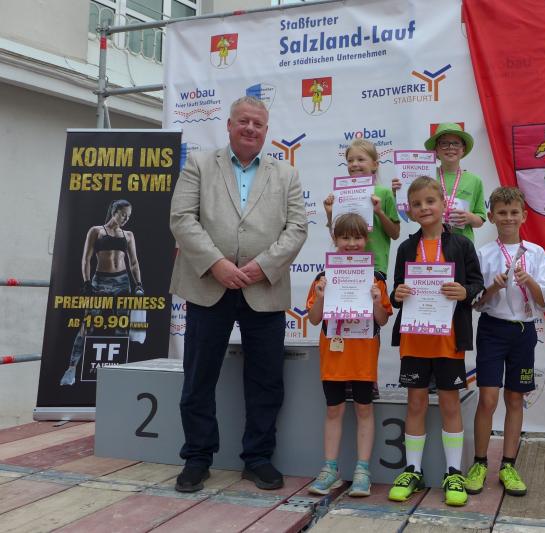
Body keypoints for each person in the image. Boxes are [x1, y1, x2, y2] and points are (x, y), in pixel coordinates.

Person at [169, 95, 307, 493]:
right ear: (229, 125)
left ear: (266, 131)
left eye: (257, 124)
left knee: (266, 379)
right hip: (208, 284)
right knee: (199, 376)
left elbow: (297, 228)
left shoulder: (286, 174)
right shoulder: (199, 164)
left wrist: (263, 266)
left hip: (263, 286)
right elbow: (181, 218)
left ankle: (258, 458)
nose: (250, 128)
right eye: (243, 121)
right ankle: (197, 458)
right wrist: (216, 263)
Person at [388, 176, 484, 507]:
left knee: (449, 404)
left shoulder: (462, 245)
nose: (424, 208)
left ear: (444, 204)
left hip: (448, 341)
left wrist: (464, 291)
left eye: (430, 201)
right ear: (410, 210)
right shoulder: (405, 248)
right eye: (417, 204)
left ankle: (453, 472)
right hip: (414, 340)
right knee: (415, 404)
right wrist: (398, 293)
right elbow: (396, 290)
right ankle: (412, 471)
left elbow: (477, 284)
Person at [465, 187, 545, 497]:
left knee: (515, 399)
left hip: (523, 332)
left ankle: (508, 465)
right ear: (491, 217)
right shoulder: (483, 254)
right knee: (488, 398)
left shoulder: (536, 254)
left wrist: (530, 282)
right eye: (501, 213)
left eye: (514, 212)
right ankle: (479, 463)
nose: (508, 218)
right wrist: (492, 288)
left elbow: (544, 301)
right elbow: (475, 303)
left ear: (524, 216)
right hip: (492, 330)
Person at [306, 213, 392, 497]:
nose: (351, 243)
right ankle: (330, 469)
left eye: (357, 237)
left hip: (363, 354)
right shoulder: (323, 278)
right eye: (345, 237)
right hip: (334, 354)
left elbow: (382, 320)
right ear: (335, 239)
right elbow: (314, 319)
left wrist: (376, 301)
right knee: (334, 409)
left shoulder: (376, 279)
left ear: (366, 240)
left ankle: (362, 471)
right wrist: (320, 297)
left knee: (364, 409)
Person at [60, 199, 142, 386]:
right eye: (123, 214)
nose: (126, 218)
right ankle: (71, 369)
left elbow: (134, 262)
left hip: (122, 282)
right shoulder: (96, 231)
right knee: (88, 325)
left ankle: (119, 371)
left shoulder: (128, 235)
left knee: (121, 326)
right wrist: (87, 282)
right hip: (100, 281)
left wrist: (138, 283)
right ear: (114, 211)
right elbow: (86, 259)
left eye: (128, 216)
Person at [392, 122, 487, 242]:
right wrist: (400, 194)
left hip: (463, 244)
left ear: (463, 149)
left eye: (456, 143)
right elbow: (414, 217)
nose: (450, 147)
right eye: (444, 143)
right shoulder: (426, 177)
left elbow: (480, 220)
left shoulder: (475, 181)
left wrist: (470, 218)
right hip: (430, 242)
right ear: (436, 149)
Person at [323, 139, 401, 276]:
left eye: (360, 159)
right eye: (350, 161)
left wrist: (379, 212)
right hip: (345, 264)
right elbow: (336, 238)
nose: (354, 164)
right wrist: (330, 214)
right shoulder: (341, 194)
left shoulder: (384, 193)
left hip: (375, 265)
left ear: (375, 165)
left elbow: (395, 234)